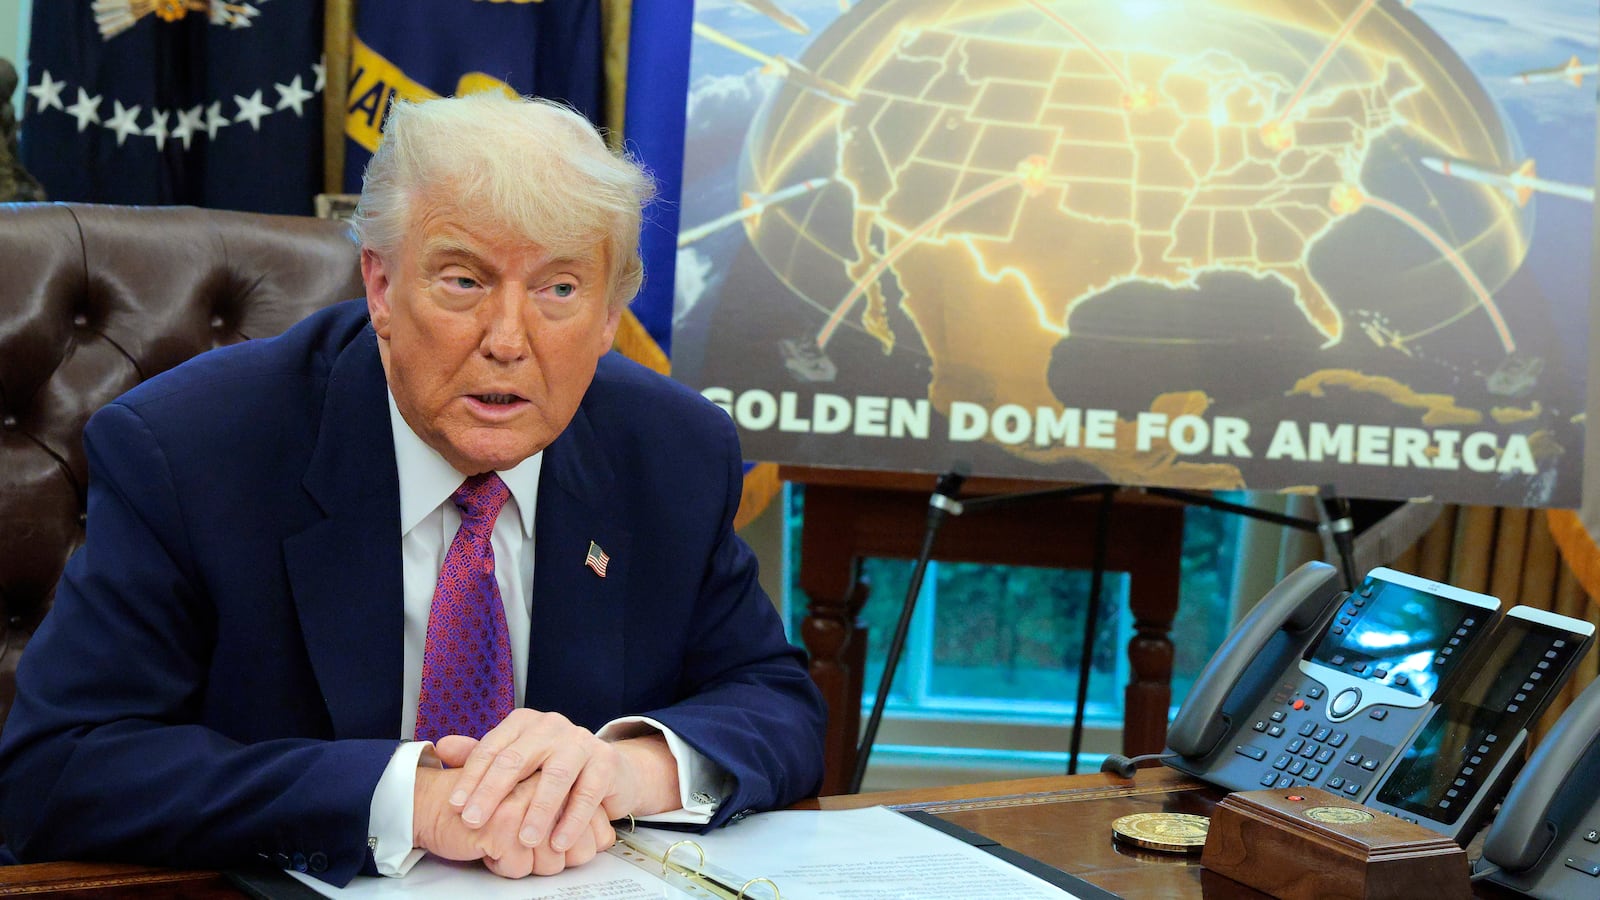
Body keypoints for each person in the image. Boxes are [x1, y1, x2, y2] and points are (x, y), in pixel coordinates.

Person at [0, 93, 826, 886]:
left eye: (560, 290)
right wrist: (410, 799)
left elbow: (776, 700)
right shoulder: (191, 450)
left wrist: (625, 769)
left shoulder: (674, 452)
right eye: (463, 281)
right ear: (382, 286)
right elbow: (60, 767)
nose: (508, 341)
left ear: (611, 315)